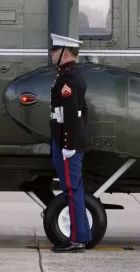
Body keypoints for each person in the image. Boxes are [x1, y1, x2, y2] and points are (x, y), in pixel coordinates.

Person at [49, 33, 92, 253]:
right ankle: (81, 235)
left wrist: (68, 144)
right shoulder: (66, 75)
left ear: (64, 53)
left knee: (72, 188)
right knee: (72, 188)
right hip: (64, 137)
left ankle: (77, 239)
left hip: (68, 141)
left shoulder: (68, 78)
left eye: (54, 51)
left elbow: (72, 113)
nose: (51, 54)